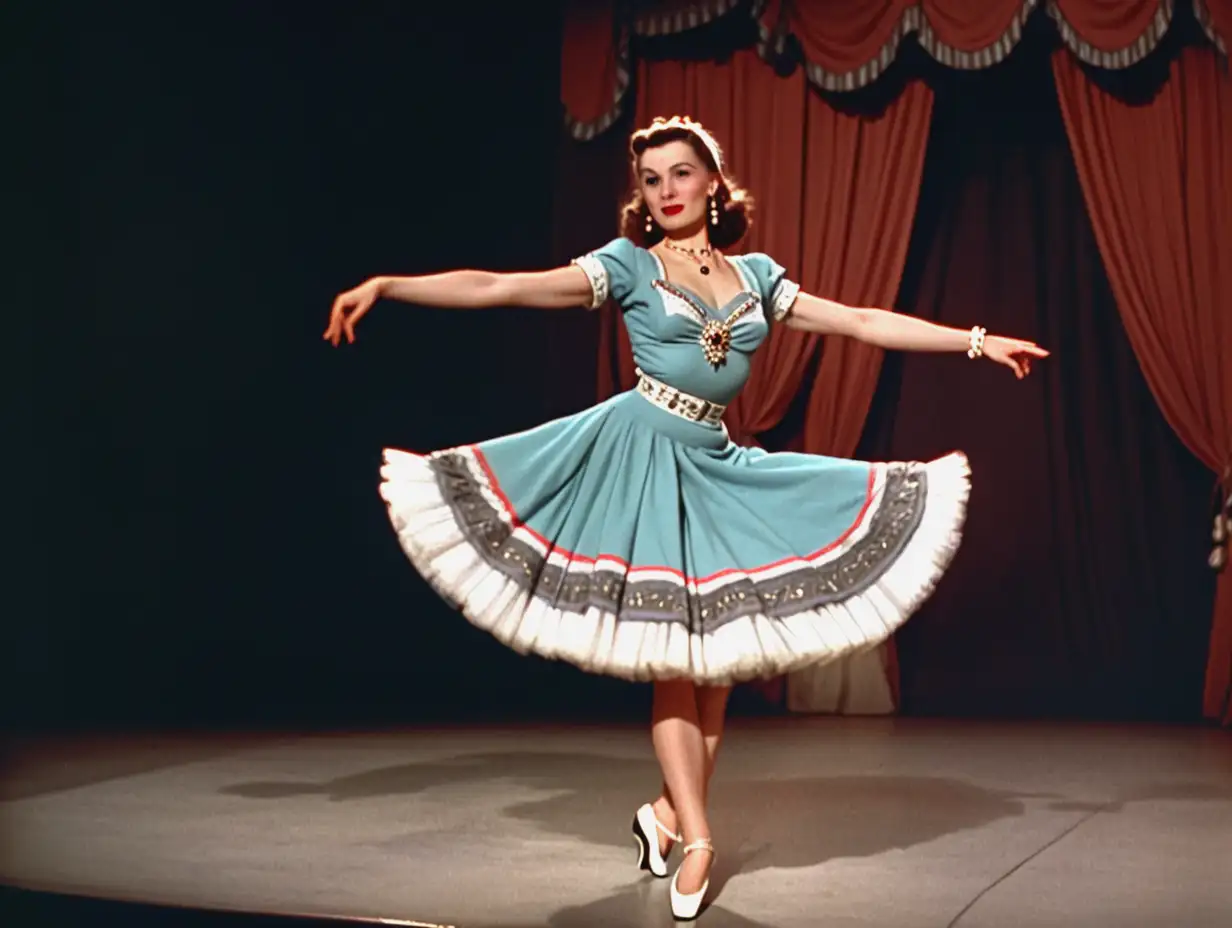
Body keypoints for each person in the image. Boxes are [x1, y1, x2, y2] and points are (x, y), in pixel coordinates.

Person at [323, 114, 1048, 920]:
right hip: (637, 460)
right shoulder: (629, 267)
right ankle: (699, 837)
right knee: (675, 658)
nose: (664, 190)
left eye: (679, 174)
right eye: (651, 179)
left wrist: (977, 342)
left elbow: (862, 322)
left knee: (719, 672)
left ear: (712, 182)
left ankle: (664, 813)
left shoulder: (760, 278)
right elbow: (504, 285)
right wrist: (390, 285)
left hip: (715, 465)